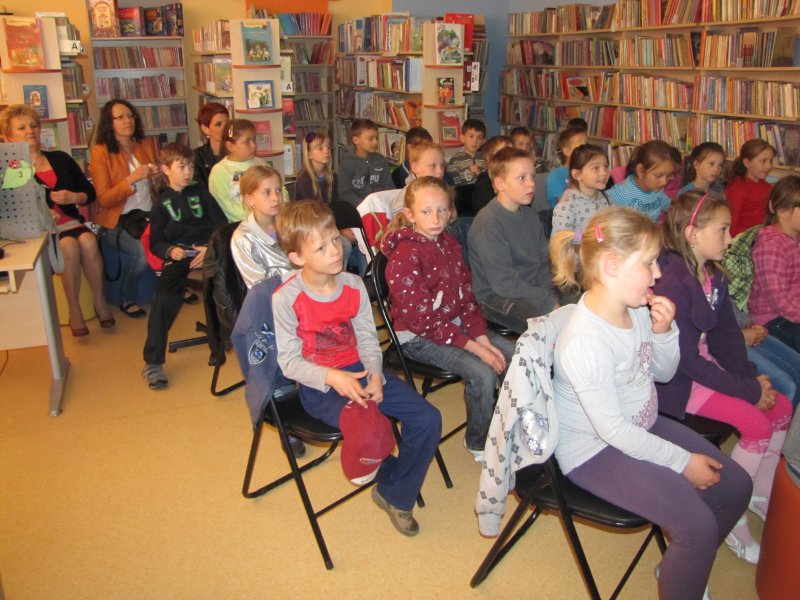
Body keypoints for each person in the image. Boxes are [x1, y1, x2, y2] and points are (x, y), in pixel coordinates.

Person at [550, 206, 752, 600]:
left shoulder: (637, 308)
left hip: (639, 424)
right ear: (611, 266)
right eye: (649, 264)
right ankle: (686, 569)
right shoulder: (585, 341)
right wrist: (681, 461)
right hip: (595, 450)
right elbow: (612, 431)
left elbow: (661, 373)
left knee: (736, 486)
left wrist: (663, 333)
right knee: (696, 526)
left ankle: (680, 568)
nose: (658, 274)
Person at [273, 200, 441, 536]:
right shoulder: (286, 298)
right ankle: (392, 484)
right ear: (297, 257)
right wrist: (331, 376)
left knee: (428, 418)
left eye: (335, 239)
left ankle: (394, 492)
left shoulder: (352, 285)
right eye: (321, 248)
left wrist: (375, 374)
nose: (336, 250)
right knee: (372, 429)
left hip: (363, 370)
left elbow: (367, 338)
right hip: (321, 386)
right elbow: (289, 362)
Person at [656, 190, 792, 563]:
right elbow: (687, 362)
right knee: (757, 426)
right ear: (692, 234)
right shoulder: (673, 283)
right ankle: (731, 513)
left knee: (781, 408)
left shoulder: (713, 275)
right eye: (723, 229)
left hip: (705, 368)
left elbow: (727, 336)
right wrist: (747, 391)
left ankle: (759, 492)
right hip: (680, 383)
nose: (731, 239)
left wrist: (752, 379)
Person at [382, 177, 516, 461]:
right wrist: (477, 348)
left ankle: (507, 422)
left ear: (450, 211)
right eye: (426, 211)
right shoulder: (404, 257)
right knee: (482, 372)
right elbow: (423, 323)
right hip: (417, 337)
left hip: (452, 324)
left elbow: (467, 298)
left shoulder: (449, 243)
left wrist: (481, 338)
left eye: (442, 210)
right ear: (410, 214)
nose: (436, 219)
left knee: (514, 355)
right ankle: (478, 441)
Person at [1, 104, 115, 336]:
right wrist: (41, 210)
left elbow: (89, 193)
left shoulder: (60, 158)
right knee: (69, 246)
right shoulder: (13, 167)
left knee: (89, 241)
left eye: (33, 125)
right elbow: (13, 208)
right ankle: (74, 310)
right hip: (42, 231)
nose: (30, 131)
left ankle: (99, 300)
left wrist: (74, 197)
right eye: (21, 128)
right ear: (8, 137)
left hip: (70, 222)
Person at [141, 143, 226, 389]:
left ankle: (220, 343)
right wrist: (170, 251)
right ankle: (153, 362)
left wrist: (210, 248)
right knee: (163, 298)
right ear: (166, 169)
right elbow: (156, 242)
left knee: (220, 290)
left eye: (190, 166)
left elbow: (221, 226)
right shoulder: (161, 204)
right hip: (180, 253)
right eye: (181, 167)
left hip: (208, 250)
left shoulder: (202, 194)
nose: (188, 172)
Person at [467, 147, 559, 334]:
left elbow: (544, 263)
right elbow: (504, 283)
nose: (531, 184)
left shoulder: (531, 215)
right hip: (494, 296)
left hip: (529, 287)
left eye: (532, 176)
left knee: (582, 303)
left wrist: (549, 295)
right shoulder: (488, 222)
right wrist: (548, 302)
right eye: (522, 178)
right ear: (500, 183)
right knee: (545, 327)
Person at [90, 99, 160, 319]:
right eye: (120, 117)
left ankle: (172, 289)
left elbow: (157, 186)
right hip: (117, 220)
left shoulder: (145, 144)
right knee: (140, 254)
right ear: (109, 122)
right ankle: (126, 297)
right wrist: (132, 179)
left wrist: (157, 177)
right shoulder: (101, 152)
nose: (127, 120)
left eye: (130, 116)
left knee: (177, 237)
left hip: (147, 214)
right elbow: (104, 199)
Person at [750, 175, 800, 352]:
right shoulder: (770, 246)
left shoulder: (795, 239)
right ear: (783, 212)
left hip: (792, 314)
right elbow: (780, 300)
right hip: (773, 320)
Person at [230, 165, 293, 289]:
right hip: (276, 295)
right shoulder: (243, 239)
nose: (276, 198)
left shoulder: (289, 221)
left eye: (278, 190)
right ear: (249, 200)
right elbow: (260, 286)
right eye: (267, 193)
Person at [208, 119, 263, 223]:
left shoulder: (261, 164)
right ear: (230, 146)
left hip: (267, 221)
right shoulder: (219, 171)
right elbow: (226, 205)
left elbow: (280, 189)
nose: (253, 145)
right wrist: (258, 217)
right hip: (238, 226)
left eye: (254, 140)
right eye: (247, 141)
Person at [607, 140, 674, 221]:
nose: (664, 182)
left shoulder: (658, 190)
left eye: (668, 176)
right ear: (640, 171)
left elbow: (669, 206)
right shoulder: (622, 193)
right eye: (658, 176)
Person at [552, 143, 611, 236]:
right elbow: (560, 242)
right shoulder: (567, 206)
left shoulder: (605, 198)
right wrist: (582, 238)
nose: (604, 173)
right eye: (596, 168)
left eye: (606, 167)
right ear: (577, 175)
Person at [337, 118, 394, 206]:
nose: (375, 142)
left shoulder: (380, 160)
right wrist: (365, 205)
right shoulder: (347, 163)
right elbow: (345, 193)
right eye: (370, 139)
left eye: (376, 138)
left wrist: (382, 202)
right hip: (357, 207)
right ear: (356, 140)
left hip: (380, 205)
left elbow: (389, 186)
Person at [726, 139, 776, 237]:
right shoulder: (736, 189)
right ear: (747, 163)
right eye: (763, 161)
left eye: (771, 161)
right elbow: (731, 227)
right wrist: (759, 233)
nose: (769, 166)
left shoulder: (768, 187)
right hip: (744, 239)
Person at [390, 141, 447, 215]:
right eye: (433, 166)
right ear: (415, 168)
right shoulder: (408, 194)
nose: (440, 171)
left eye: (442, 166)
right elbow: (399, 218)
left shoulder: (441, 190)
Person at [546, 126, 589, 209]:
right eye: (581, 145)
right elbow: (564, 206)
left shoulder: (588, 172)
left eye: (586, 144)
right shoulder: (556, 175)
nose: (586, 148)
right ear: (567, 151)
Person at [468, 135, 513, 215]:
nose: (510, 157)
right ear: (489, 159)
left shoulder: (513, 179)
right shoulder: (484, 185)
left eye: (513, 153)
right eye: (503, 154)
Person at [293, 130, 338, 203]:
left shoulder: (332, 177)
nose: (326, 151)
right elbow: (309, 208)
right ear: (309, 154)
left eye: (328, 147)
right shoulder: (304, 180)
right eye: (320, 148)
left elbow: (336, 203)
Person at [193, 102, 229, 190]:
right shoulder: (196, 157)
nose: (225, 128)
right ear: (205, 129)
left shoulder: (237, 153)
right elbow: (199, 190)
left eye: (227, 123)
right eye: (218, 124)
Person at [446, 118, 487, 187]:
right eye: (471, 136)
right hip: (463, 192)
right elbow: (451, 183)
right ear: (462, 138)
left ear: (483, 141)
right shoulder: (455, 160)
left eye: (479, 138)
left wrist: (479, 173)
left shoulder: (486, 158)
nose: (475, 141)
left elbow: (490, 181)